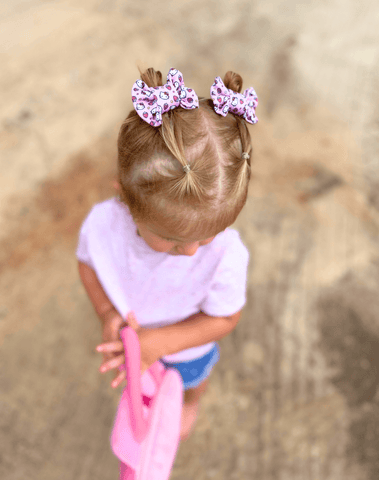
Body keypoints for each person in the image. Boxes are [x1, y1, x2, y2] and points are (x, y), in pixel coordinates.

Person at [76, 66, 258, 442]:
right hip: (133, 338)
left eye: (209, 234)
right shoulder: (104, 225)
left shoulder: (225, 255)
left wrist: (159, 344)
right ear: (126, 202)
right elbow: (88, 264)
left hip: (188, 350)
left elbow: (224, 318)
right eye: (171, 238)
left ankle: (190, 402)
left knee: (192, 381)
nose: (190, 251)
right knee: (144, 391)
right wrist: (107, 312)